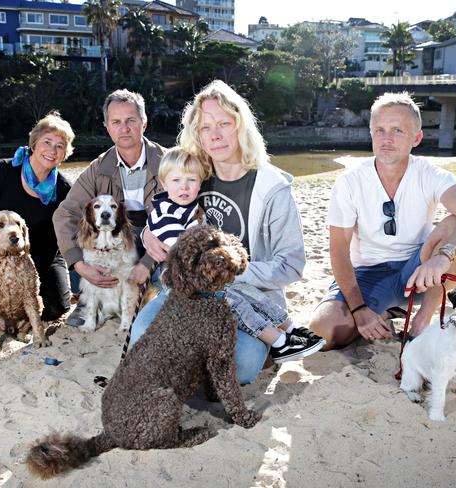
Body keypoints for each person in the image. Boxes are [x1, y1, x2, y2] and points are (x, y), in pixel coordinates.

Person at [137, 80, 318, 384]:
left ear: (241, 127)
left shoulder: (273, 188)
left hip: (248, 299)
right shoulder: (193, 174)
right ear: (197, 133)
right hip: (187, 292)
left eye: (225, 123)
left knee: (243, 365)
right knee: (143, 337)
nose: (216, 135)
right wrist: (147, 234)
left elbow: (291, 265)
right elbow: (163, 214)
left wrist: (224, 273)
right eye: (207, 127)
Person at [309, 92, 456, 349]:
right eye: (380, 130)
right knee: (323, 333)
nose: (387, 139)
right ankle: (385, 310)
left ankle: (423, 318)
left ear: (416, 138)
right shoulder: (349, 182)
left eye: (397, 130)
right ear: (371, 133)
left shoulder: (430, 174)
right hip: (368, 274)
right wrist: (359, 310)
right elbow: (338, 250)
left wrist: (443, 256)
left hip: (418, 270)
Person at [130, 146, 325, 364]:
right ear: (164, 184)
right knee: (235, 302)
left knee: (249, 293)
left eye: (191, 181)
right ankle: (279, 342)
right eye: (176, 181)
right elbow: (183, 251)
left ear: (200, 181)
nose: (184, 187)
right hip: (188, 283)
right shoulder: (167, 213)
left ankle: (290, 328)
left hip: (209, 276)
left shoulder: (188, 205)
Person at [52, 89, 165, 326]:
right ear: (107, 127)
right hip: (116, 246)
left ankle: (147, 297)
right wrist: (79, 264)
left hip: (155, 247)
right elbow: (65, 214)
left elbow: (178, 220)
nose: (124, 128)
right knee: (86, 249)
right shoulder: (98, 168)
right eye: (116, 122)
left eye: (130, 121)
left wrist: (146, 263)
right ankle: (89, 301)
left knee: (166, 279)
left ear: (143, 123)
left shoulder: (168, 163)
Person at [0, 111, 75, 325]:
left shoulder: (64, 189)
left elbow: (62, 238)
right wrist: (0, 254)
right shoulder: (2, 171)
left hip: (44, 258)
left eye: (60, 145)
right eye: (47, 141)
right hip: (3, 255)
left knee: (56, 308)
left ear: (64, 154)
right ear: (34, 143)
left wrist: (28, 268)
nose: (52, 150)